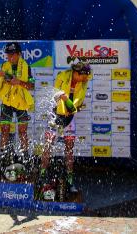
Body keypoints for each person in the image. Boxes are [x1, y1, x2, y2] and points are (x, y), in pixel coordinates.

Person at [39, 61, 91, 194]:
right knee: (48, 146)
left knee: (69, 149)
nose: (86, 78)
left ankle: (69, 179)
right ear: (76, 73)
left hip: (70, 118)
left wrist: (71, 107)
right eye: (83, 76)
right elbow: (55, 95)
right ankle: (43, 175)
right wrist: (62, 103)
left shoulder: (84, 81)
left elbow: (79, 100)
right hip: (55, 116)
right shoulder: (63, 75)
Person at [0, 42, 35, 158]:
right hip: (7, 101)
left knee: (22, 131)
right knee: (4, 130)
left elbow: (31, 86)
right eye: (8, 55)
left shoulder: (26, 66)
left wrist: (19, 82)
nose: (9, 57)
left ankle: (25, 156)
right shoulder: (4, 65)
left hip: (21, 102)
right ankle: (2, 155)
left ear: (19, 54)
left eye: (12, 55)